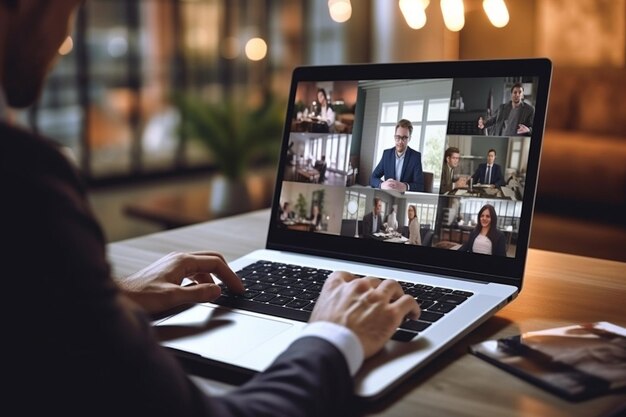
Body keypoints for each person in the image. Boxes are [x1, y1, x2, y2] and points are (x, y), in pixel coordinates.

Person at [1, 1, 421, 415]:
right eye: (69, 6)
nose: (64, 37)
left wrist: (112, 301)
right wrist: (334, 337)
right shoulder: (25, 184)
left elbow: (30, 325)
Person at [370, 119, 424, 192]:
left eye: (404, 138)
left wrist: (405, 186)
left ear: (409, 138)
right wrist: (381, 185)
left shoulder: (415, 157)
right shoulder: (386, 154)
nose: (400, 141)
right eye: (398, 137)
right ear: (394, 137)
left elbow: (420, 186)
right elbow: (373, 178)